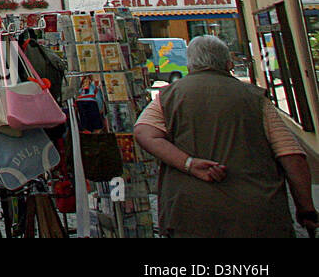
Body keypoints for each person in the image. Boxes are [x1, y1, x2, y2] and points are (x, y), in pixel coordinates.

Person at [134, 34, 317, 238]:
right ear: (229, 63)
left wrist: (189, 163)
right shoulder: (255, 98)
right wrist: (305, 208)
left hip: (191, 214)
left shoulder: (169, 96)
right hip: (257, 214)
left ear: (190, 63)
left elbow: (144, 133)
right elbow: (292, 156)